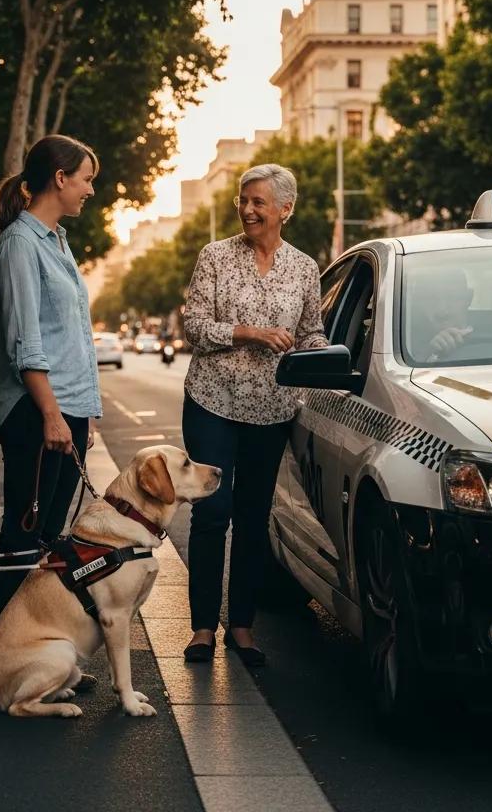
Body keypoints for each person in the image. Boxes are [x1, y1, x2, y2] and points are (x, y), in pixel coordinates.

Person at [181, 163, 327, 667]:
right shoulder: (215, 256)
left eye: (258, 202)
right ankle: (202, 627)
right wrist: (248, 332)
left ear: (285, 209)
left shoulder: (305, 268)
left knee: (251, 519)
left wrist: (325, 356)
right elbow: (194, 325)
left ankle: (241, 627)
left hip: (272, 411)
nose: (247, 210)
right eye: (243, 201)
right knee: (212, 512)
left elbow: (312, 332)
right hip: (212, 401)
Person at [0, 134, 101, 619]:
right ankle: (7, 660)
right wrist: (54, 416)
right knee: (22, 534)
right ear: (59, 178)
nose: (90, 190)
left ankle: (37, 647)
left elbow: (72, 335)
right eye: (86, 179)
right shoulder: (19, 243)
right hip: (35, 413)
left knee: (48, 542)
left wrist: (81, 416)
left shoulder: (56, 241)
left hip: (65, 411)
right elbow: (25, 344)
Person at [410, 268, 475, 361]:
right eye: (431, 298)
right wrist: (427, 355)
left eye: (452, 297)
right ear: (418, 302)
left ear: (469, 298)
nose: (442, 309)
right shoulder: (403, 347)